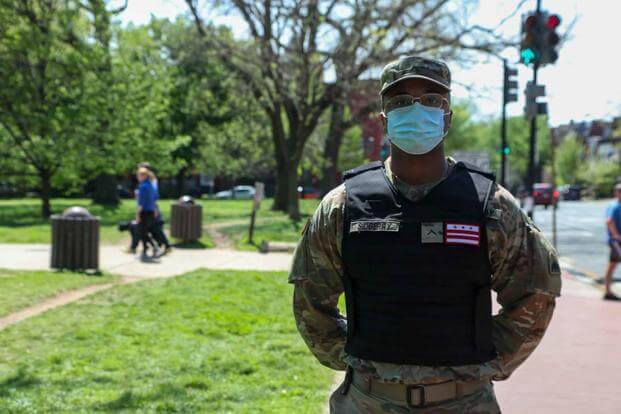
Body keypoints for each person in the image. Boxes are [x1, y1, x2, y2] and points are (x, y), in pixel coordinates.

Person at [289, 56, 561, 414]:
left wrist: (490, 360)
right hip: (368, 402)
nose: (417, 110)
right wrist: (353, 358)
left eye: (432, 100)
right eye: (401, 102)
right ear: (384, 121)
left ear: (447, 117)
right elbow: (311, 298)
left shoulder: (491, 206)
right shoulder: (343, 206)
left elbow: (535, 292)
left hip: (464, 403)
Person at [602, 183, 621, 300]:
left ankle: (607, 290)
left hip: (615, 241)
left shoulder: (614, 205)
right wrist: (616, 236)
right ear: (617, 193)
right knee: (612, 264)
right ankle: (607, 291)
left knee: (612, 265)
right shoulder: (615, 206)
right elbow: (609, 221)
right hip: (616, 242)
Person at [136, 166, 158, 258]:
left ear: (143, 176)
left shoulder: (143, 186)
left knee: (142, 231)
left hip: (144, 211)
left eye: (139, 175)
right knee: (144, 231)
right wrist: (155, 209)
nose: (138, 177)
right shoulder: (151, 185)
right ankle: (147, 248)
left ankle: (150, 247)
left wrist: (137, 214)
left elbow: (141, 202)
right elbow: (155, 198)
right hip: (151, 210)